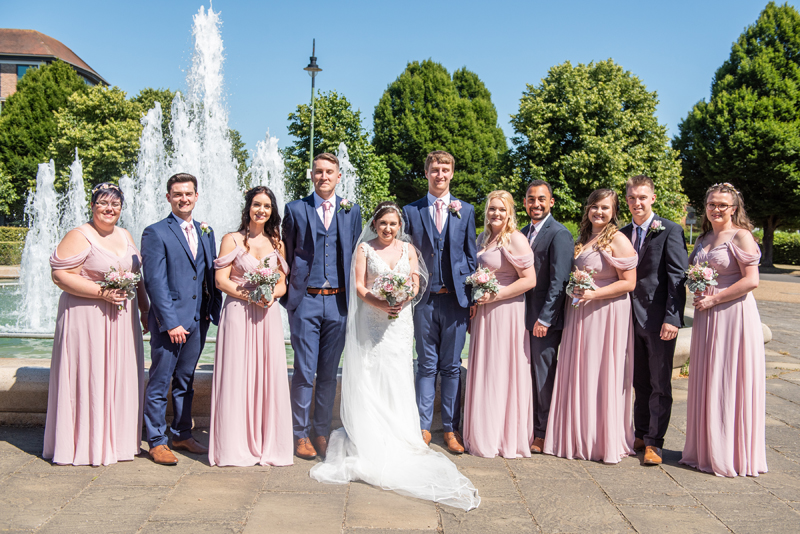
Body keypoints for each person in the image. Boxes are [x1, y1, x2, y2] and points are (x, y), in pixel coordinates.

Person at [310, 202, 480, 511]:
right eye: (383, 223)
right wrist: (380, 301)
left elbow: (415, 282)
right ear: (374, 224)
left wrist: (403, 297)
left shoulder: (408, 249)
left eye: (393, 223)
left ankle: (400, 432)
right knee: (371, 372)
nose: (388, 228)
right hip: (372, 321)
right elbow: (358, 286)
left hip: (400, 322)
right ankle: (370, 433)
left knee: (398, 373)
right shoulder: (364, 250)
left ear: (399, 225)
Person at [44, 183, 148, 466]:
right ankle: (85, 444)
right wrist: (102, 292)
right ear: (92, 206)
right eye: (103, 203)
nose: (109, 209)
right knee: (89, 376)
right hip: (87, 318)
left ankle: (117, 442)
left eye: (115, 204)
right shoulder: (79, 235)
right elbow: (60, 275)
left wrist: (145, 308)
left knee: (118, 376)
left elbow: (136, 275)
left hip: (122, 319)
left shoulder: (125, 234)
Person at [543, 189, 638, 464]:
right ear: (588, 209)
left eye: (605, 208)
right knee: (581, 369)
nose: (599, 212)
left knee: (599, 371)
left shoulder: (618, 239)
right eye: (595, 206)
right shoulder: (584, 238)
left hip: (605, 314)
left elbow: (629, 283)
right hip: (580, 313)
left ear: (614, 212)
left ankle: (600, 440)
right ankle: (576, 434)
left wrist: (594, 294)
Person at [680, 183, 767, 477]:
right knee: (707, 377)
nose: (716, 209)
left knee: (728, 377)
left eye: (722, 205)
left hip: (733, 315)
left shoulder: (741, 236)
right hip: (706, 316)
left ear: (734, 208)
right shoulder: (703, 238)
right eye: (712, 204)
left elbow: (752, 280)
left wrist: (715, 298)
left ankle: (730, 453)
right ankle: (705, 449)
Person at [281, 153, 362, 460]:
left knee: (328, 374)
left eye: (329, 172)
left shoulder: (351, 210)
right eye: (318, 171)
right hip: (306, 301)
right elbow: (286, 254)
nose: (323, 176)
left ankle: (321, 431)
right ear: (312, 175)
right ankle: (299, 434)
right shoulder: (295, 209)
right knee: (304, 371)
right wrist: (289, 298)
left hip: (339, 302)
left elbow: (355, 253)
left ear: (339, 176)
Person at [141, 173, 223, 465]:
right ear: (168, 198)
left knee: (186, 380)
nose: (183, 199)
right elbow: (154, 281)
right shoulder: (155, 232)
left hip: (199, 319)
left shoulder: (206, 231)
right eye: (177, 194)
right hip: (171, 322)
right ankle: (156, 440)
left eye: (188, 194)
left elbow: (208, 273)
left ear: (196, 196)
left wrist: (212, 309)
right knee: (160, 380)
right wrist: (170, 322)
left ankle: (181, 433)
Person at [209, 186, 293, 467]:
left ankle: (268, 443)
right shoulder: (231, 239)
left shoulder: (277, 242)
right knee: (236, 374)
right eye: (257, 204)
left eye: (267, 206)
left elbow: (282, 283)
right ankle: (234, 446)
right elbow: (221, 281)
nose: (261, 210)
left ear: (272, 211)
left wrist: (272, 296)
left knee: (268, 375)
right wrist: (250, 296)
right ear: (247, 208)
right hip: (238, 313)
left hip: (267, 315)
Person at [402, 151, 478, 453]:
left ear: (452, 173)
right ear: (426, 173)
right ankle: (422, 427)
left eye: (445, 169)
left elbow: (470, 256)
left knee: (451, 366)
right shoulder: (411, 211)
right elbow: (405, 253)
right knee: (426, 365)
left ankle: (450, 429)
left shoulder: (466, 210)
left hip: (456, 301)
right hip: (423, 301)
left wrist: (471, 296)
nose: (440, 174)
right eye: (435, 169)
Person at [463, 191, 536, 458]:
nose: (496, 214)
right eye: (492, 208)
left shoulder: (515, 238)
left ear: (510, 213)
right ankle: (483, 431)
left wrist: (496, 295)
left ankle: (503, 435)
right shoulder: (482, 238)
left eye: (502, 210)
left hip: (506, 311)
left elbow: (529, 280)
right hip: (484, 312)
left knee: (501, 368)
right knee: (485, 367)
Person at [621, 175, 688, 466]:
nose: (637, 202)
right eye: (632, 197)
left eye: (642, 197)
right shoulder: (621, 233)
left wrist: (672, 317)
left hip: (658, 318)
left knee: (660, 382)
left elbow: (677, 277)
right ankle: (640, 433)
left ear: (653, 198)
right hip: (627, 319)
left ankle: (654, 443)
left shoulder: (670, 230)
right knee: (639, 381)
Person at [520, 180, 574, 454]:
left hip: (543, 320)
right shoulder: (521, 233)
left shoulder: (559, 234)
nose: (536, 204)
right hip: (520, 316)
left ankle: (542, 433)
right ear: (525, 202)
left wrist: (545, 319)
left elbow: (559, 281)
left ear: (551, 202)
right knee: (524, 374)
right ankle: (526, 426)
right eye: (531, 199)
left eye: (541, 199)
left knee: (543, 375)